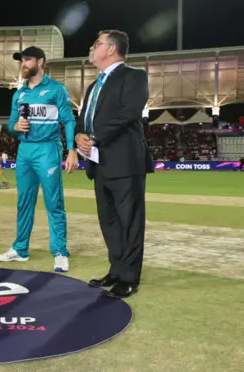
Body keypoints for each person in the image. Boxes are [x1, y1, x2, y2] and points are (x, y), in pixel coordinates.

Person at [76, 30, 154, 298]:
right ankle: (117, 270)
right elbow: (84, 118)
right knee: (109, 222)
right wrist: (79, 136)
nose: (91, 47)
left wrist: (95, 137)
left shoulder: (134, 76)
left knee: (130, 221)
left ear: (111, 49)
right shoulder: (93, 86)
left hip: (125, 162)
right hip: (100, 164)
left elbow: (129, 112)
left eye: (96, 43)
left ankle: (130, 277)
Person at [0, 46, 78, 272]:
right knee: (24, 202)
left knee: (54, 203)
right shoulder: (19, 94)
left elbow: (68, 120)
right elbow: (11, 124)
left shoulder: (55, 89)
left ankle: (60, 252)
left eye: (28, 60)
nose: (23, 64)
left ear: (40, 62)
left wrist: (71, 150)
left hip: (48, 150)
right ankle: (20, 249)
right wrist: (15, 126)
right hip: (25, 151)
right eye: (22, 60)